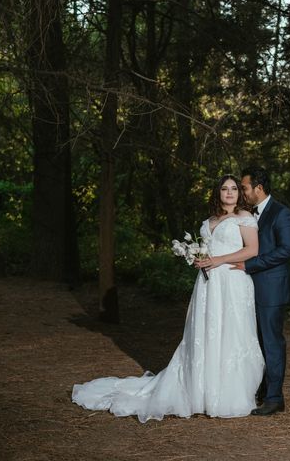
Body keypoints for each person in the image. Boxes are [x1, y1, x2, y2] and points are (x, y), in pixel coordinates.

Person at [72, 175, 264, 422]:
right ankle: (200, 392)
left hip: (232, 281)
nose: (229, 193)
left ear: (239, 193)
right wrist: (198, 259)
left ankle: (228, 394)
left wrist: (217, 260)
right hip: (208, 285)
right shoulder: (209, 221)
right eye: (224, 188)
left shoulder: (244, 218)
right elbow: (207, 249)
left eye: (234, 189)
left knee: (231, 333)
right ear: (217, 193)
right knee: (204, 333)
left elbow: (252, 250)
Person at [232, 166, 290, 416]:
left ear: (259, 188)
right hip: (247, 290)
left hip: (271, 290)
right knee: (254, 342)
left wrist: (250, 265)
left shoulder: (282, 213)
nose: (242, 192)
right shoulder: (246, 214)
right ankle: (261, 390)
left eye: (244, 188)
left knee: (271, 343)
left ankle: (275, 397)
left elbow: (286, 250)